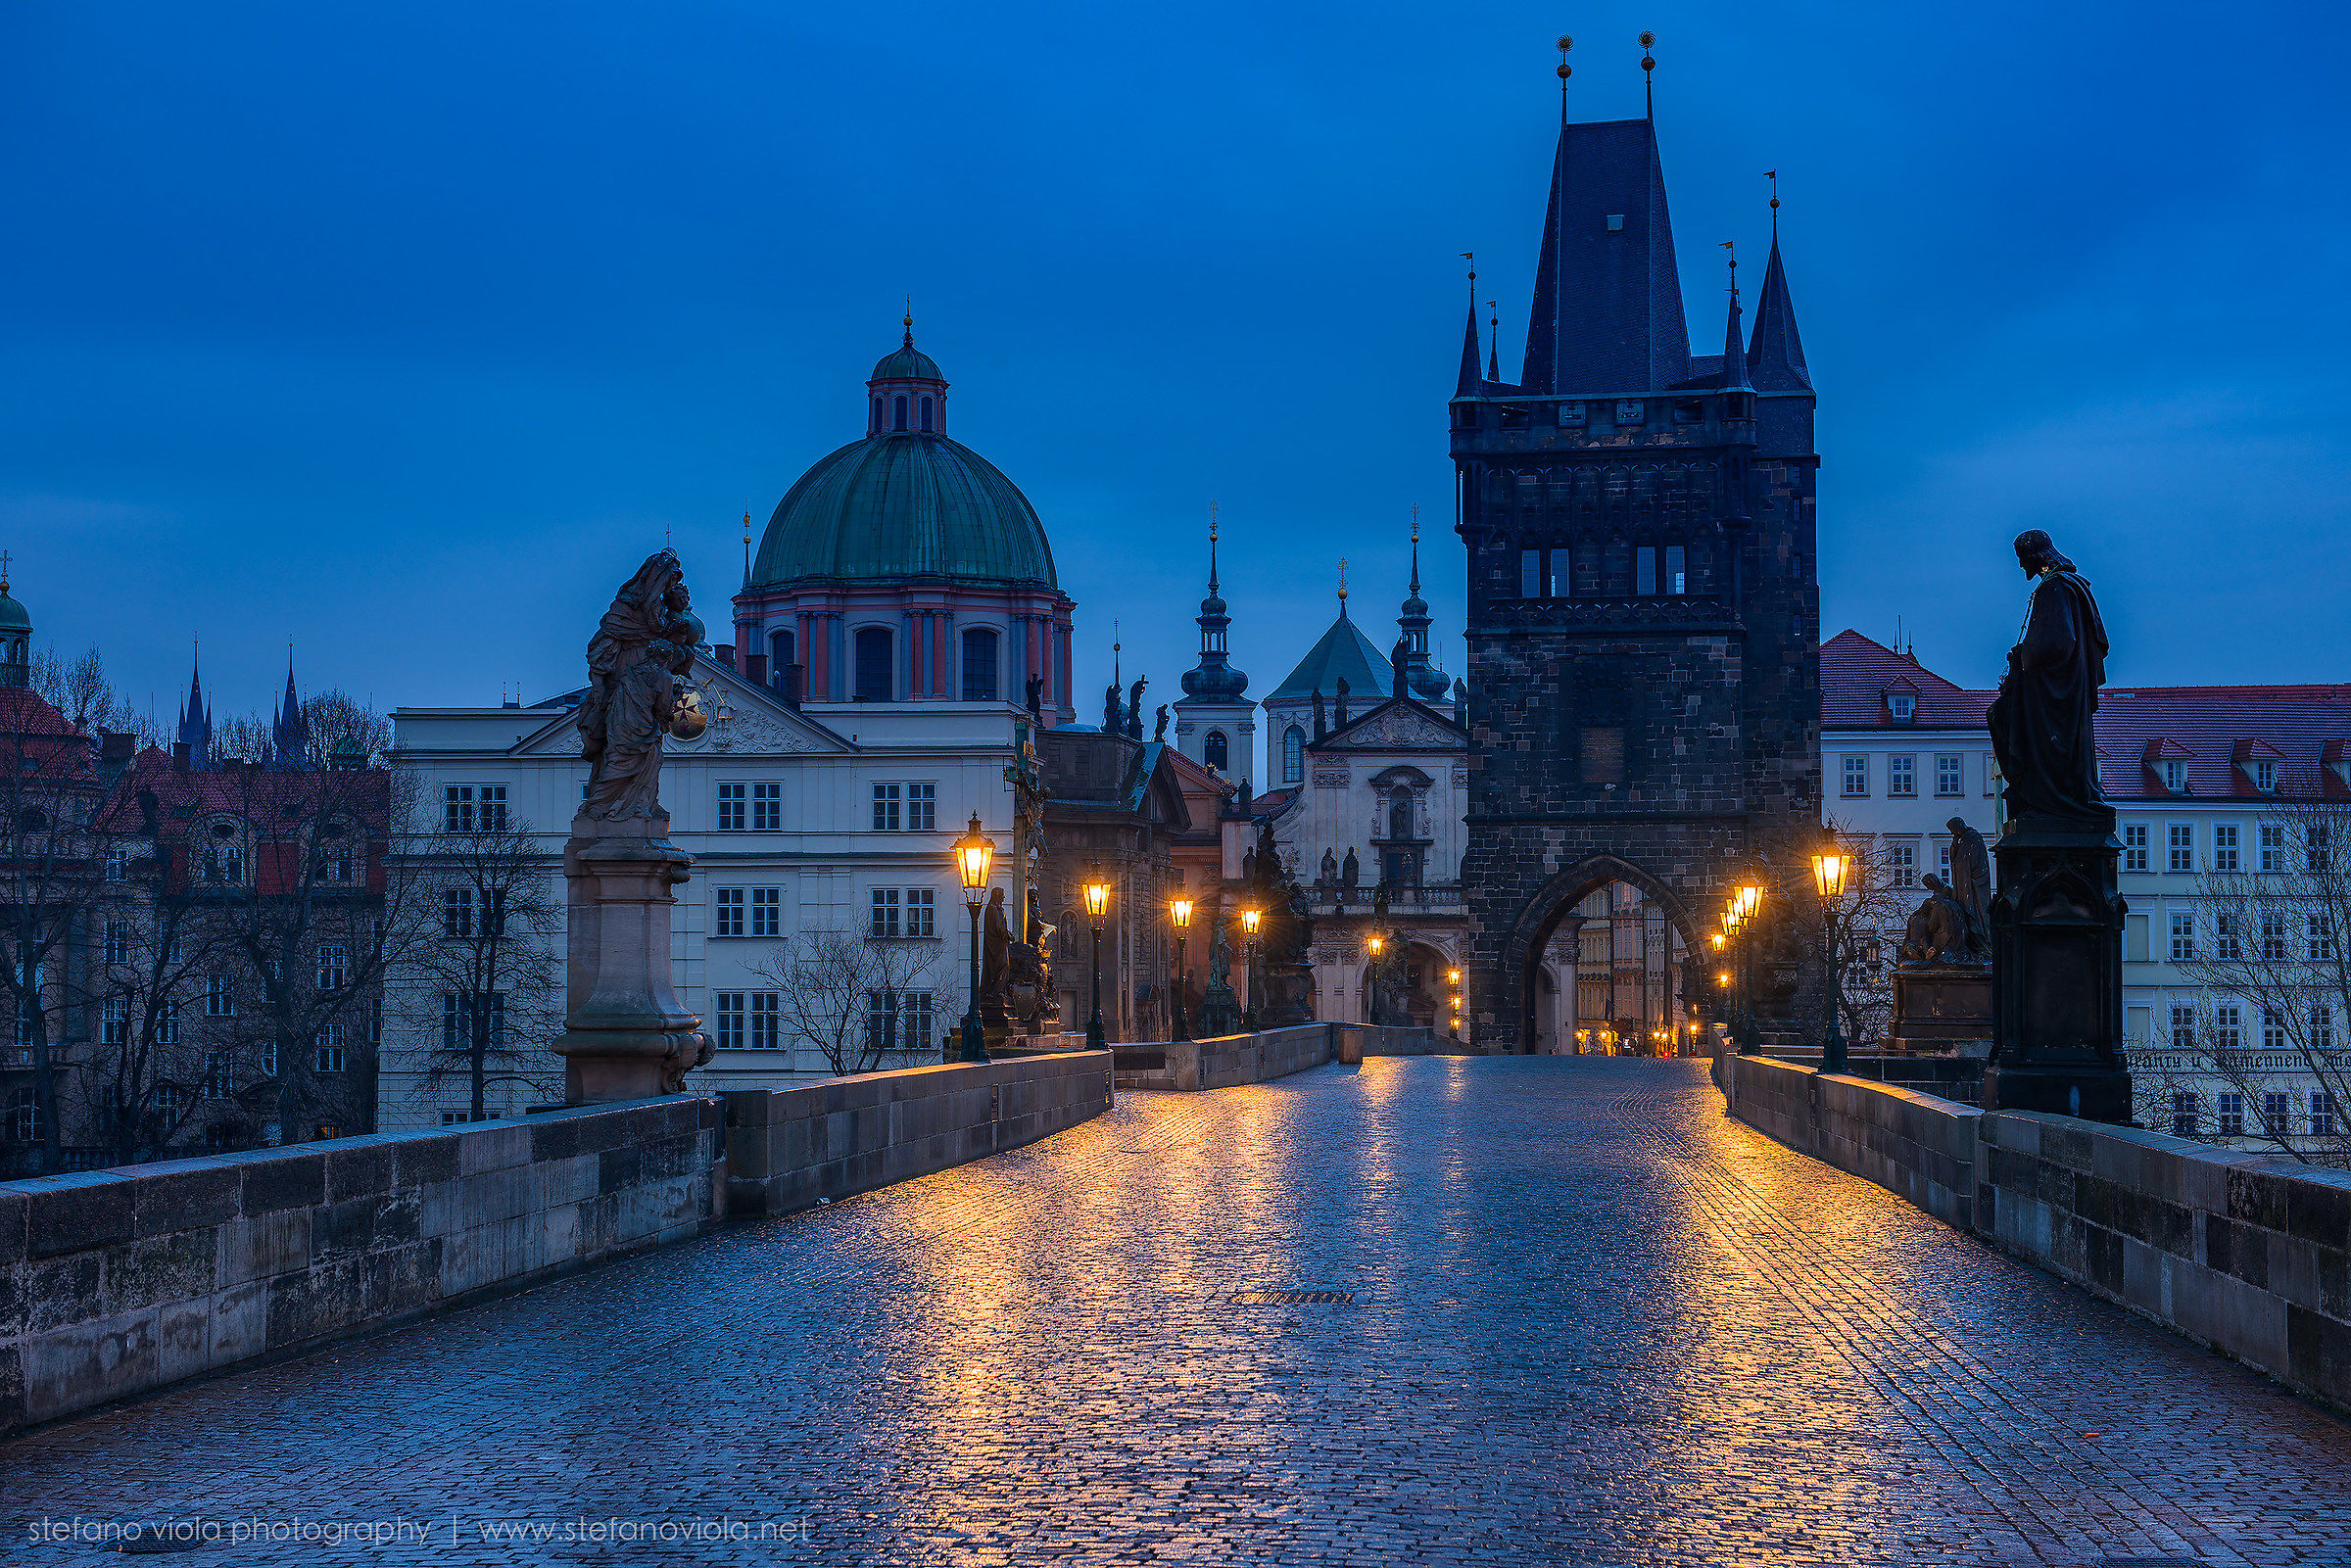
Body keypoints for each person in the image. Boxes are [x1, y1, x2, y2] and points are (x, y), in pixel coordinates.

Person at [1988, 531, 2109, 824]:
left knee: (2000, 717)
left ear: (2035, 556)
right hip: (2062, 685)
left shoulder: (2055, 588)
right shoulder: (2070, 585)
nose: (2020, 566)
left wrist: (2022, 655)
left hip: (2053, 690)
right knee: (2001, 717)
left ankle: (2037, 794)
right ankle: (2033, 792)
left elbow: (2060, 640)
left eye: (2021, 559)